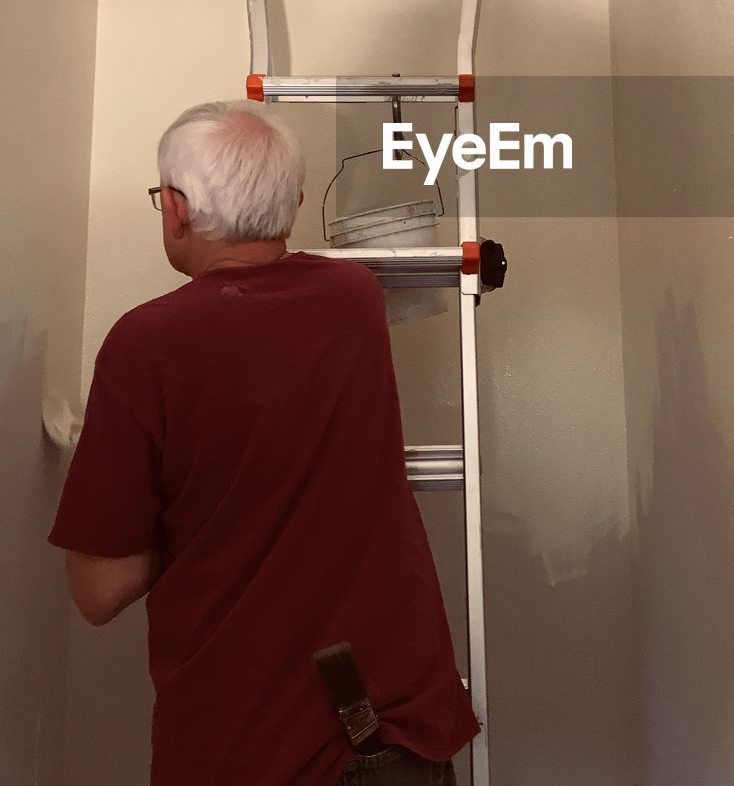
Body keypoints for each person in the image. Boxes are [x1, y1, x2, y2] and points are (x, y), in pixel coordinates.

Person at [49, 100, 478, 786]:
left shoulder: (146, 342)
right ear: (298, 202)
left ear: (177, 210)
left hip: (245, 746)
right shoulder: (354, 299)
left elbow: (100, 588)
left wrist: (195, 519)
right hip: (390, 726)